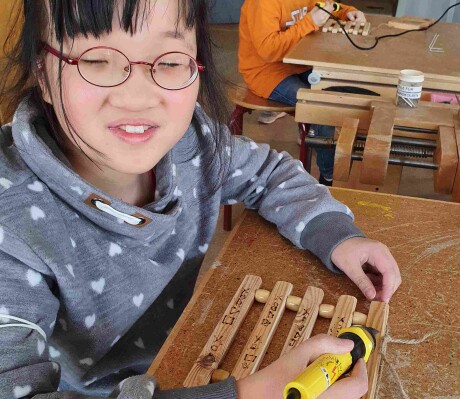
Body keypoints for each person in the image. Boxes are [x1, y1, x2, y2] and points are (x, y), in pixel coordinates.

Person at [0, 1, 400, 398]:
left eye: (170, 61)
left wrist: (336, 234)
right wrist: (244, 396)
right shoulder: (10, 219)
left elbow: (267, 172)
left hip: (191, 350)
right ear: (43, 73)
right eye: (96, 59)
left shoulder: (192, 143)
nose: (138, 96)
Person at [238, 0, 365, 185]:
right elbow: (268, 50)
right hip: (265, 72)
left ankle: (324, 145)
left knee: (343, 90)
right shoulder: (262, 3)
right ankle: (328, 179)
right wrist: (309, 22)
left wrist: (348, 12)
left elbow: (330, 7)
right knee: (322, 108)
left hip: (299, 63)